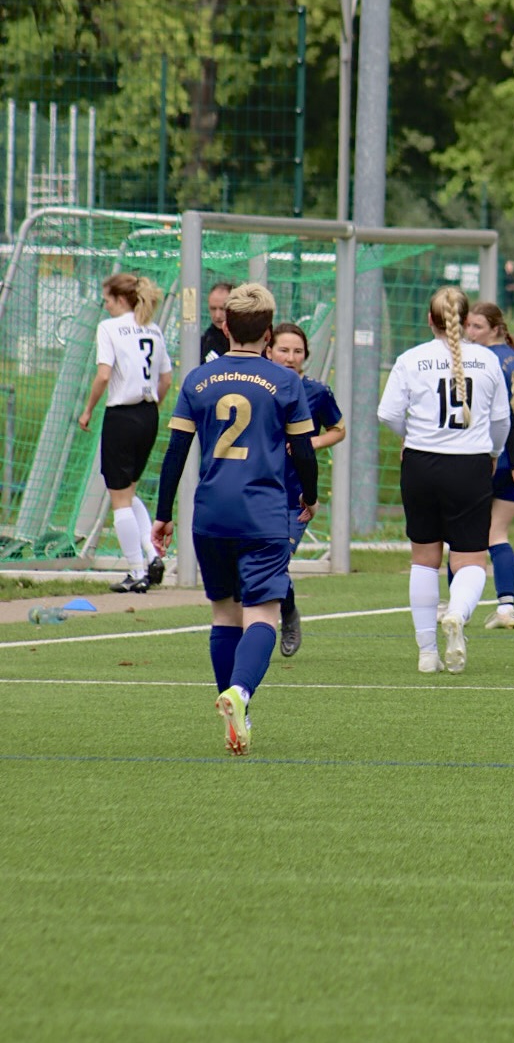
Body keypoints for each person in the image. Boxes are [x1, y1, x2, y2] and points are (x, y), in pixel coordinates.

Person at [151, 282, 318, 756]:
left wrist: (163, 515)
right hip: (263, 514)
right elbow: (304, 451)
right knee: (261, 613)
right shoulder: (285, 382)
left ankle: (235, 710)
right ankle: (240, 693)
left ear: (225, 327)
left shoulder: (197, 380)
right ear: (269, 333)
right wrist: (309, 496)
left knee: (224, 612)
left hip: (210, 515)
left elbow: (175, 453)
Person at [377, 285, 510, 675]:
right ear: (466, 321)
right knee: (471, 559)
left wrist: (411, 437)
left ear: (429, 320)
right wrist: (494, 453)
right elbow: (501, 421)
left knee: (423, 560)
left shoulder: (410, 359)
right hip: (469, 466)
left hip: (420, 464)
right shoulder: (488, 361)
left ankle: (426, 653)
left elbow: (387, 414)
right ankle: (457, 613)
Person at [78, 272, 173, 594]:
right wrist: (151, 408)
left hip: (121, 415)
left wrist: (88, 409)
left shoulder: (109, 328)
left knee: (119, 499)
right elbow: (166, 379)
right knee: (128, 493)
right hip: (148, 414)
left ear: (120, 299)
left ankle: (136, 571)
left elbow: (104, 375)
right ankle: (151, 555)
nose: (105, 306)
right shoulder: (153, 328)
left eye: (107, 299)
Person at [267, 321, 346, 657]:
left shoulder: (316, 392)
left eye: (297, 351)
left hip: (296, 496)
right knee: (255, 566)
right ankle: (267, 617)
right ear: (269, 351)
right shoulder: (258, 390)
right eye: (283, 350)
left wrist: (311, 442)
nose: (290, 357)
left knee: (275, 562)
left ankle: (288, 616)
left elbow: (339, 429)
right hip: (258, 491)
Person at [464, 301, 514, 628]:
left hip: (491, 455)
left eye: (477, 326)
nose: (470, 332)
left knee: (464, 536)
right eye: (468, 325)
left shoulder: (486, 360)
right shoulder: (511, 357)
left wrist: (512, 461)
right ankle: (507, 607)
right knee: (497, 534)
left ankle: (457, 606)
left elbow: (505, 418)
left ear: (495, 328)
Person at [200, 280, 234, 362]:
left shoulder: (245, 339)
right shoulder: (205, 342)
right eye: (213, 309)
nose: (217, 315)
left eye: (222, 309)